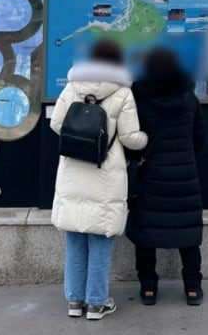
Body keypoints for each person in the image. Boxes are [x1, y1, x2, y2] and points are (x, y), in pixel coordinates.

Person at [50, 38, 148, 320]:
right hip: (106, 172)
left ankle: (74, 302)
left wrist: (79, 139)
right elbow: (130, 137)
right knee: (101, 241)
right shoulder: (123, 92)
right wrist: (144, 140)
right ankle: (96, 303)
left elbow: (57, 124)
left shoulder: (73, 86)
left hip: (73, 170)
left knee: (75, 241)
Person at [125, 46, 208, 306]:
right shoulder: (189, 96)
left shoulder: (138, 96)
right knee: (188, 234)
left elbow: (131, 139)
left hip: (150, 174)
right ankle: (192, 288)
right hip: (184, 175)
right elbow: (200, 137)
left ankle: (148, 287)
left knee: (145, 233)